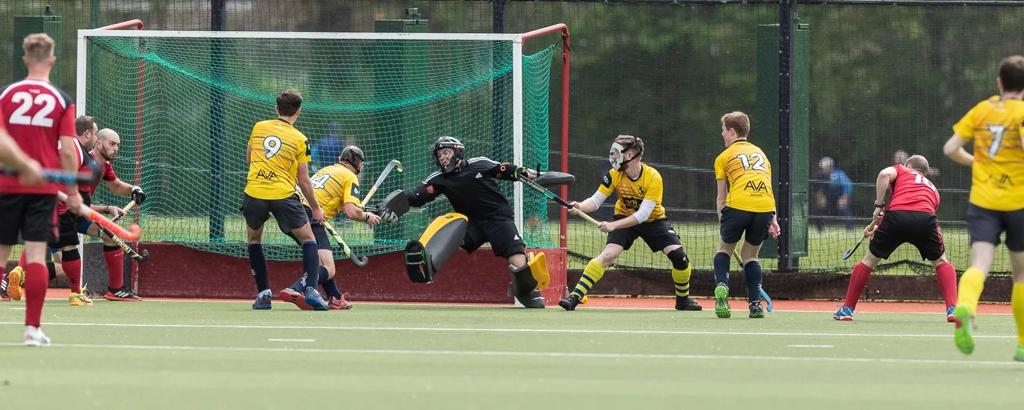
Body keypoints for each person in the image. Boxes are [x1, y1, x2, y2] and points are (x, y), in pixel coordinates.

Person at [379, 136, 546, 308]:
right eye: (439, 155)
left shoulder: (479, 164)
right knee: (451, 228)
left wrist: (534, 174)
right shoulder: (438, 179)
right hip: (471, 224)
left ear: (458, 152)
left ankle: (526, 288)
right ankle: (428, 262)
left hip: (498, 219)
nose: (442, 158)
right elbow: (416, 196)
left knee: (516, 255)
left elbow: (504, 169)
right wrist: (392, 206)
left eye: (446, 152)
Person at [0, 33, 81, 346]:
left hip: (7, 184)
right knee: (35, 254)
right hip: (42, 190)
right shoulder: (61, 99)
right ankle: (32, 330)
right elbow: (68, 151)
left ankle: (33, 328)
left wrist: (20, 164)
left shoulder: (6, 94)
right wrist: (72, 192)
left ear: (24, 59)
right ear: (52, 61)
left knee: (2, 253)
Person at [7, 124, 147, 305]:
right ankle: (18, 278)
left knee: (105, 239)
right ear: (98, 143)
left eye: (117, 145)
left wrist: (134, 189)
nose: (116, 148)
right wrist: (105, 209)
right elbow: (76, 200)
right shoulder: (83, 163)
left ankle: (116, 289)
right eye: (112, 144)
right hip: (63, 212)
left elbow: (116, 185)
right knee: (63, 259)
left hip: (75, 214)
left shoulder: (104, 166)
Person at [560, 134, 701, 312]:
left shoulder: (653, 177)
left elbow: (643, 215)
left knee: (679, 257)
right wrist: (579, 206)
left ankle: (683, 301)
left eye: (616, 153)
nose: (612, 157)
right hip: (624, 216)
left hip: (653, 220)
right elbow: (595, 201)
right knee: (608, 255)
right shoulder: (614, 175)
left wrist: (613, 225)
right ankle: (575, 297)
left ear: (630, 155)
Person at [943, 55, 1024, 361]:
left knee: (979, 264)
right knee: (1021, 275)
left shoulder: (982, 109)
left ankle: (965, 306)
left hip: (983, 201)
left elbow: (950, 148)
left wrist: (976, 161)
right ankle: (1022, 344)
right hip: (1018, 202)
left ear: (999, 82)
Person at [832, 155, 957, 321]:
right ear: (925, 173)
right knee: (941, 262)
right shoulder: (933, 189)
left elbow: (884, 175)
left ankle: (847, 309)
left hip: (896, 218)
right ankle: (953, 310)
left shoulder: (901, 169)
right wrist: (876, 227)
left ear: (908, 165)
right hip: (925, 220)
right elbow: (916, 212)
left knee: (868, 261)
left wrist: (878, 206)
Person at [243, 89, 328, 311]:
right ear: (298, 111)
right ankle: (311, 290)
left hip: (255, 192)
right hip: (283, 195)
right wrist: (316, 208)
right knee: (309, 240)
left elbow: (249, 159)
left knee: (254, 241)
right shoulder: (300, 139)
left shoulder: (259, 127)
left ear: (276, 108)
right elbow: (304, 180)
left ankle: (263, 295)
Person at [278, 145, 380, 310]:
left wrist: (361, 211)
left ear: (341, 159)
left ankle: (335, 297)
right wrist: (366, 217)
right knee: (328, 268)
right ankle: (295, 289)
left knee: (321, 260)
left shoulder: (327, 170)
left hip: (292, 211)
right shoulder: (350, 177)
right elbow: (352, 212)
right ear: (358, 164)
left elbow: (340, 203)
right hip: (310, 216)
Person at [711, 112, 780, 319]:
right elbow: (768, 188)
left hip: (738, 205)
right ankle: (755, 305)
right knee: (750, 256)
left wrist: (722, 220)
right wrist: (773, 219)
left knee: (724, 250)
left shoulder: (723, 157)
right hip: (765, 207)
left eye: (723, 130)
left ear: (732, 131)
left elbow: (721, 197)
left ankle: (722, 286)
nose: (722, 134)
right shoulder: (761, 154)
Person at [813, 156, 853, 232]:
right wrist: (820, 198)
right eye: (821, 167)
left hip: (841, 195)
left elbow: (848, 185)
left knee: (843, 208)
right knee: (819, 208)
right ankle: (819, 229)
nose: (822, 169)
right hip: (828, 196)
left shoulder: (839, 174)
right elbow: (817, 188)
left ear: (830, 167)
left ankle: (850, 229)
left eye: (824, 167)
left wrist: (843, 198)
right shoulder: (819, 175)